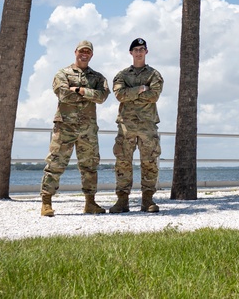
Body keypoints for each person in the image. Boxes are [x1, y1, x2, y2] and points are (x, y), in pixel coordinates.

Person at [40, 39, 110, 217]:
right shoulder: (62, 73)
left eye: (88, 52)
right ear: (75, 52)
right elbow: (63, 95)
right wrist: (89, 94)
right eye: (81, 51)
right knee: (55, 163)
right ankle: (46, 203)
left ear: (91, 55)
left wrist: (79, 90)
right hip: (65, 127)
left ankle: (90, 203)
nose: (84, 54)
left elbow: (102, 97)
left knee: (90, 166)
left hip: (88, 129)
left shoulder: (98, 77)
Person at [109, 37, 164, 213]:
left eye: (142, 49)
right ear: (131, 53)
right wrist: (141, 89)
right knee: (123, 162)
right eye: (136, 49)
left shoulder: (154, 75)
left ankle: (147, 200)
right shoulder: (122, 75)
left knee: (149, 162)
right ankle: (122, 200)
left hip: (148, 125)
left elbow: (154, 95)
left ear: (146, 52)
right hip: (126, 125)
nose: (139, 52)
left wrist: (131, 92)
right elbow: (119, 95)